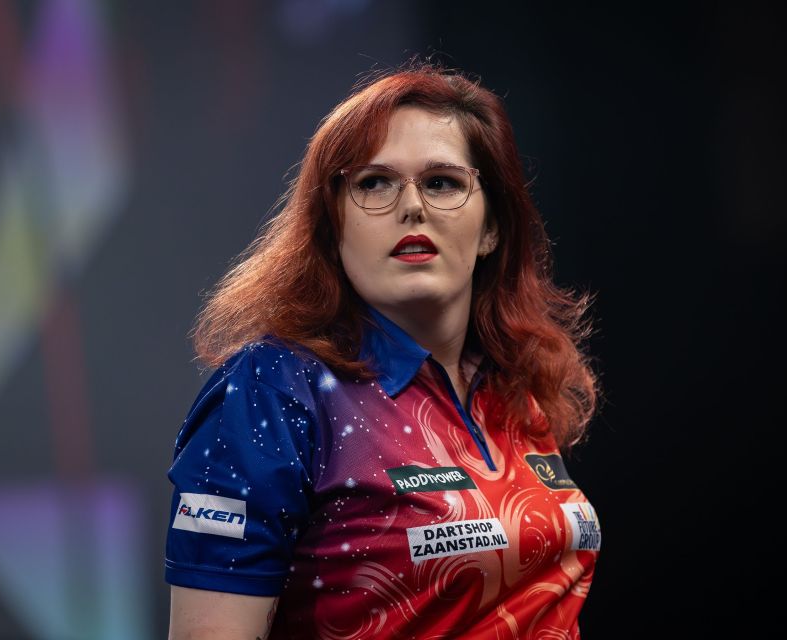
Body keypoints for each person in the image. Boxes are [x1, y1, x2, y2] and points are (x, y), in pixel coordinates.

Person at [165, 64, 601, 639]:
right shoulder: (274, 388)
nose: (412, 207)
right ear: (333, 225)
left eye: (443, 182)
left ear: (492, 225)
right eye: (374, 183)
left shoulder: (515, 382)